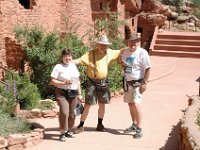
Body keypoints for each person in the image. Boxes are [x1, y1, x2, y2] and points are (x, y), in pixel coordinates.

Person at [73, 35, 122, 134]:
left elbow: (122, 51)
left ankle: (100, 124)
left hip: (103, 82)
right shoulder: (90, 54)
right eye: (101, 45)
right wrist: (68, 62)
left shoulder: (110, 53)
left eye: (105, 45)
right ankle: (81, 125)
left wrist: (133, 47)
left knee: (102, 104)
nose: (103, 47)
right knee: (87, 104)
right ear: (98, 44)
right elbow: (79, 60)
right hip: (92, 83)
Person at [120, 33, 151, 139]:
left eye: (135, 41)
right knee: (130, 104)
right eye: (131, 41)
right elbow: (125, 65)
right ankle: (134, 124)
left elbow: (148, 68)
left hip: (138, 82)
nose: (133, 43)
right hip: (128, 82)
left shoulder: (142, 53)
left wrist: (145, 83)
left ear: (137, 42)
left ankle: (139, 128)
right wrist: (123, 65)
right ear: (127, 42)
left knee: (136, 104)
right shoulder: (125, 52)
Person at [50, 49, 83, 141]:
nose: (68, 58)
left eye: (69, 56)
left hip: (73, 93)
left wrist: (80, 94)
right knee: (64, 112)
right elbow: (52, 81)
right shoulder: (58, 67)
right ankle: (62, 132)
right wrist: (64, 82)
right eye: (66, 56)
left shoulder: (73, 66)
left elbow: (77, 81)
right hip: (62, 93)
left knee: (72, 114)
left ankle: (68, 130)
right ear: (62, 57)